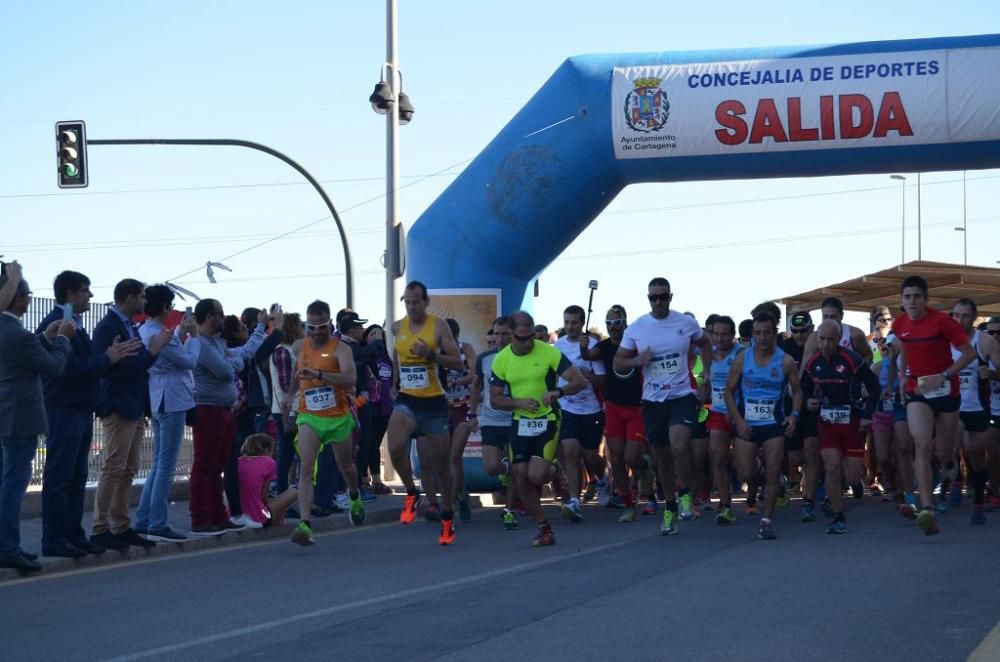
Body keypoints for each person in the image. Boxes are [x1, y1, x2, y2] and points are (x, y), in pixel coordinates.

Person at [37, 271, 140, 558]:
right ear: (70, 294)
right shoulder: (57, 325)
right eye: (85, 290)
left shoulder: (75, 326)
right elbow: (67, 370)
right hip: (64, 408)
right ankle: (54, 537)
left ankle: (73, 533)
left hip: (79, 409)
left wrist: (107, 358)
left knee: (77, 475)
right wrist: (108, 358)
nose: (90, 296)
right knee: (60, 476)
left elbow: (85, 365)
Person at [614, 277, 713, 534]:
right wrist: (637, 360)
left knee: (679, 443)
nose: (658, 301)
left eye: (662, 296)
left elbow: (705, 343)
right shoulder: (637, 328)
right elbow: (618, 361)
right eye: (653, 297)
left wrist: (707, 376)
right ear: (648, 299)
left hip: (681, 395)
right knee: (662, 458)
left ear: (670, 297)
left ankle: (685, 494)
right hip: (652, 400)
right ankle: (670, 506)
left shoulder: (685, 323)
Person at [490, 310, 587, 546]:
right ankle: (545, 529)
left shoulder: (549, 353)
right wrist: (517, 402)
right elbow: (495, 399)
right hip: (520, 423)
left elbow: (579, 380)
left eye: (530, 337)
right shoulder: (501, 359)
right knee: (520, 478)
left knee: (536, 475)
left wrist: (558, 392)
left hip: (548, 419)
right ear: (511, 334)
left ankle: (554, 471)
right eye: (520, 338)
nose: (526, 342)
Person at [0, 265, 73, 573]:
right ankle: (8, 547)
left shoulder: (9, 331)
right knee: (14, 487)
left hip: (7, 414)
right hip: (21, 417)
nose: (30, 300)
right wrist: (63, 340)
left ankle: (8, 545)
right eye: (27, 295)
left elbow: (26, 356)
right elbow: (53, 366)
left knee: (7, 483)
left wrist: (45, 336)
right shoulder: (16, 332)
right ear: (18, 299)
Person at [891, 276, 977, 535]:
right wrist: (904, 375)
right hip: (918, 389)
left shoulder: (942, 322)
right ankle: (926, 507)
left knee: (945, 453)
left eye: (917, 296)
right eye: (907, 297)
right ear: (902, 300)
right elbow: (905, 348)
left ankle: (950, 467)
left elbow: (969, 353)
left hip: (945, 389)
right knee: (922, 443)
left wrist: (946, 375)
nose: (912, 302)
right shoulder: (900, 323)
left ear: (926, 299)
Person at [90, 279, 171, 552]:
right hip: (118, 406)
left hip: (134, 407)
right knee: (114, 468)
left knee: (128, 469)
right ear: (128, 298)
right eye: (141, 296)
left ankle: (121, 525)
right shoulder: (108, 327)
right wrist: (152, 351)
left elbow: (134, 365)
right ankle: (100, 527)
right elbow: (119, 368)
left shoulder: (128, 326)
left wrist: (143, 356)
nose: (145, 302)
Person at [386, 281, 464, 545]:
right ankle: (412, 492)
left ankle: (447, 518)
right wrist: (394, 382)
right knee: (395, 447)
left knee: (441, 466)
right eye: (407, 301)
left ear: (426, 302)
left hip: (434, 402)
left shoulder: (438, 326)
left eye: (416, 301)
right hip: (408, 399)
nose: (411, 306)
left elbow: (457, 362)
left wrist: (431, 355)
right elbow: (397, 354)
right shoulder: (397, 327)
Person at [284, 300, 364, 546]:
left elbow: (351, 377)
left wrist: (319, 375)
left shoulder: (341, 349)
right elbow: (299, 375)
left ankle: (353, 494)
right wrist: (289, 397)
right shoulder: (299, 346)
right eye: (312, 327)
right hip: (309, 415)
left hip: (337, 417)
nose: (317, 332)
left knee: (345, 466)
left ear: (329, 324)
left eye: (322, 327)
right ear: (306, 326)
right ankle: (305, 525)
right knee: (306, 467)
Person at [188, 299, 267, 536]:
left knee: (217, 466)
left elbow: (242, 354)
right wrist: (234, 361)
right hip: (208, 410)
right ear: (209, 317)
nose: (224, 319)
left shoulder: (217, 343)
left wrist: (260, 329)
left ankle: (218, 515)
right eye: (220, 314)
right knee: (205, 465)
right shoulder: (201, 343)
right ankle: (200, 518)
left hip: (223, 410)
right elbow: (223, 370)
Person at [724, 310, 802, 540]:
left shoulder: (785, 361)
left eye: (767, 333)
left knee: (773, 470)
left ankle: (766, 519)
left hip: (773, 424)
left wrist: (794, 415)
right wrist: (737, 419)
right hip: (747, 424)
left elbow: (798, 391)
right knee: (747, 473)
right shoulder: (742, 358)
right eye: (757, 333)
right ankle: (764, 477)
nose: (762, 338)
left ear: (775, 333)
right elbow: (728, 391)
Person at [134, 284, 202, 542]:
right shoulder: (160, 333)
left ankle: (143, 518)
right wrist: (193, 337)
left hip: (157, 397)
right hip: (172, 398)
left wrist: (178, 333)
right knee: (166, 465)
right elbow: (188, 361)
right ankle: (158, 522)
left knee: (158, 463)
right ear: (164, 306)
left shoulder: (144, 329)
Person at [800, 320, 880, 534]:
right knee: (831, 467)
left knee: (852, 476)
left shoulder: (851, 360)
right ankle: (838, 516)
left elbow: (874, 387)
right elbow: (803, 390)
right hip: (827, 424)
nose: (826, 344)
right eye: (822, 339)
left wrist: (867, 414)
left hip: (852, 423)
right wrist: (808, 402)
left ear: (838, 340)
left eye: (831, 340)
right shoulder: (812, 363)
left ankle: (856, 483)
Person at [582, 305, 649, 523]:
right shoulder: (603, 347)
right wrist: (583, 348)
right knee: (617, 458)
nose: (614, 328)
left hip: (637, 407)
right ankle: (628, 504)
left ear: (625, 323)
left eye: (618, 323)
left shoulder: (635, 344)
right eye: (609, 324)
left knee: (632, 457)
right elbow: (589, 356)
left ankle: (646, 468)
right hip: (613, 407)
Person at [226, 307, 284, 527]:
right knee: (254, 450)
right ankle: (257, 500)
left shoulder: (231, 350)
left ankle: (246, 500)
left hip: (241, 407)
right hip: (247, 406)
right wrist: (277, 329)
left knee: (242, 452)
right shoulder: (235, 352)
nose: (246, 330)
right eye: (242, 327)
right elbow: (259, 349)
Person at [950, 298, 1000, 524]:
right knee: (948, 444)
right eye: (956, 315)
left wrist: (991, 375)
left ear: (974, 318)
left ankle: (978, 502)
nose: (959, 320)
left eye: (965, 316)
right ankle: (954, 480)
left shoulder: (985, 342)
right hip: (952, 407)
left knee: (975, 455)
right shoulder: (944, 343)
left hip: (979, 408)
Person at [555, 304, 607, 522]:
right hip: (568, 406)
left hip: (592, 408)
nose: (570, 326)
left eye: (575, 322)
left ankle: (602, 479)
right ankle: (574, 500)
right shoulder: (557, 346)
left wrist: (586, 374)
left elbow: (603, 381)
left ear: (582, 323)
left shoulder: (593, 345)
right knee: (570, 451)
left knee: (590, 455)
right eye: (567, 322)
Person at [469, 316, 519, 529]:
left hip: (516, 419)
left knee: (517, 468)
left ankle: (509, 510)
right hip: (491, 419)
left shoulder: (522, 357)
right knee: (491, 468)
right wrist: (472, 414)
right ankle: (505, 470)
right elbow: (476, 386)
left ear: (513, 334)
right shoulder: (484, 358)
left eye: (505, 334)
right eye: (497, 334)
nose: (500, 338)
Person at [338, 311, 381, 503]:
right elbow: (357, 360)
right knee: (354, 447)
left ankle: (358, 485)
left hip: (363, 402)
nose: (364, 330)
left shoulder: (357, 346)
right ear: (353, 329)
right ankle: (352, 488)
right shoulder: (344, 347)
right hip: (350, 404)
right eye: (361, 327)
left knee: (365, 445)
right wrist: (375, 345)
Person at [707, 315, 743, 525]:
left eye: (724, 334)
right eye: (716, 334)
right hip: (718, 412)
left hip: (740, 414)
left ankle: (762, 483)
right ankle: (726, 505)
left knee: (744, 465)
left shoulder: (741, 354)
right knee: (718, 458)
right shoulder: (708, 355)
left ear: (732, 336)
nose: (719, 339)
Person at [443, 318, 477, 522]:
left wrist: (455, 381)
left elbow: (474, 374)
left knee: (454, 456)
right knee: (444, 458)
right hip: (442, 409)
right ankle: (461, 493)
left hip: (463, 406)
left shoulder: (467, 349)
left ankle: (452, 502)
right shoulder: (438, 354)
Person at [270, 313, 302, 498]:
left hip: (293, 407)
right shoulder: (283, 351)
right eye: (300, 326)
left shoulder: (292, 350)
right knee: (286, 453)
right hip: (288, 409)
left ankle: (287, 490)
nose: (303, 330)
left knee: (291, 452)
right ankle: (282, 493)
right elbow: (285, 385)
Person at [238, 433, 298, 527]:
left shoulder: (238, 461)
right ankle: (275, 521)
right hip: (258, 515)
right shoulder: (268, 462)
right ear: (266, 449)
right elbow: (264, 495)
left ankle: (275, 520)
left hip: (239, 514)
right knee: (294, 491)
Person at [363, 324, 393, 494]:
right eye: (372, 333)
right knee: (369, 444)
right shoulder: (366, 355)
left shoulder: (387, 358)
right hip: (370, 406)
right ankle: (366, 480)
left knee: (375, 444)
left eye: (379, 333)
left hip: (386, 408)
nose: (376, 336)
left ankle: (376, 480)